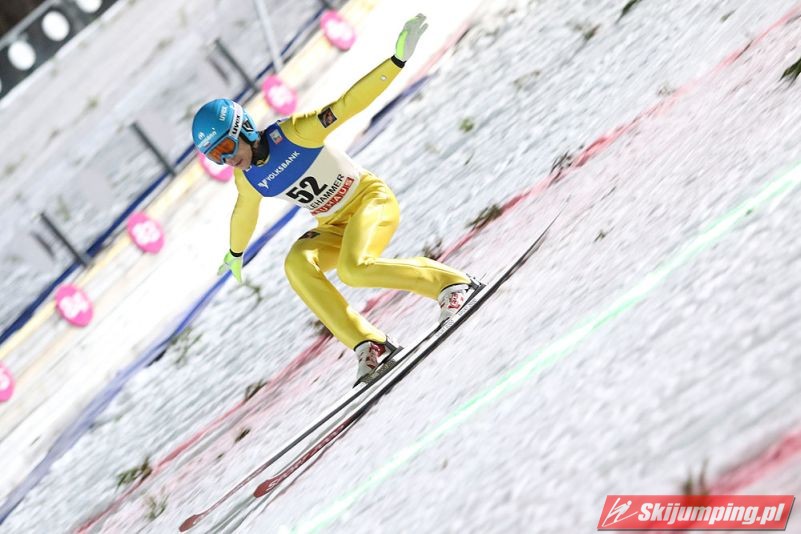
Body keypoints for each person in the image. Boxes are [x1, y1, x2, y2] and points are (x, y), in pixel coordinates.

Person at [192, 14, 475, 384]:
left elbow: (347, 104)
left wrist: (396, 61)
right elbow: (244, 212)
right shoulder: (247, 178)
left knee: (353, 270)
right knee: (296, 264)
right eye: (216, 157)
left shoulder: (295, 133)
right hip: (334, 225)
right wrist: (235, 253)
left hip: (370, 201)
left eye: (227, 147)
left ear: (244, 128)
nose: (227, 159)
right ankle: (368, 343)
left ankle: (451, 283)